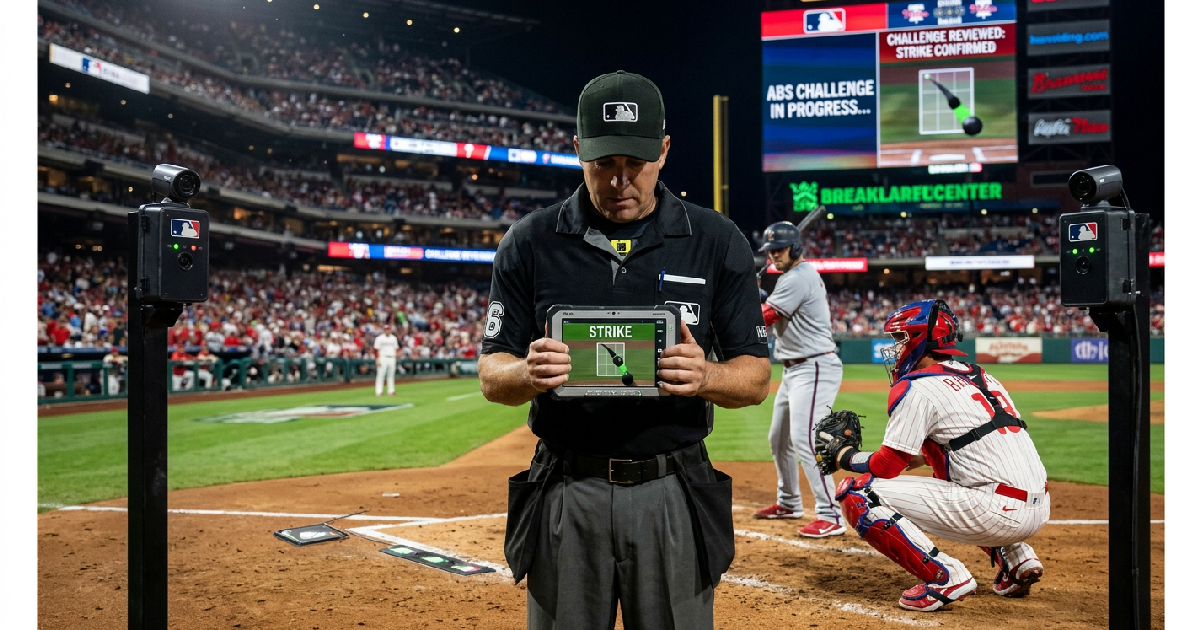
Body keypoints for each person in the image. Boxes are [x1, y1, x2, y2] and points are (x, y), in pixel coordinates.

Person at [478, 70, 771, 630]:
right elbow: (493, 375)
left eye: (634, 164)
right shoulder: (531, 240)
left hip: (672, 491)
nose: (619, 182)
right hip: (565, 488)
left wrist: (706, 377)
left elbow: (755, 377)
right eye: (603, 164)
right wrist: (528, 371)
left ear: (663, 150)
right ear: (578, 151)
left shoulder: (715, 239)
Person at [822, 299, 1049, 611]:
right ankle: (1018, 558)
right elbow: (965, 448)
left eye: (900, 339)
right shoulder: (983, 377)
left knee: (859, 494)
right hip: (1037, 508)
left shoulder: (916, 387)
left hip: (996, 512)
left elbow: (888, 466)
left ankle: (946, 576)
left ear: (919, 341)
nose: (895, 348)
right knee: (950, 473)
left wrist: (846, 456)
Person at [752, 222, 847, 538]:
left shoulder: (799, 276)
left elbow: (768, 316)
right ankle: (790, 502)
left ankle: (831, 514)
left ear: (795, 248)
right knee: (779, 438)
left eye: (778, 249)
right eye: (770, 251)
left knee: (807, 439)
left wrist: (747, 299)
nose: (774, 255)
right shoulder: (790, 277)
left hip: (814, 367)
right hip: (794, 369)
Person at [374, 324, 399, 396]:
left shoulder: (394, 338)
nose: (387, 331)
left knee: (391, 375)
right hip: (382, 357)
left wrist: (395, 355)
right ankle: (378, 391)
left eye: (388, 329)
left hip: (391, 358)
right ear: (384, 330)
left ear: (390, 330)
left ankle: (391, 391)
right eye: (386, 329)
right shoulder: (379, 338)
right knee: (380, 375)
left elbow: (395, 348)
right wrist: (377, 359)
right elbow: (376, 350)